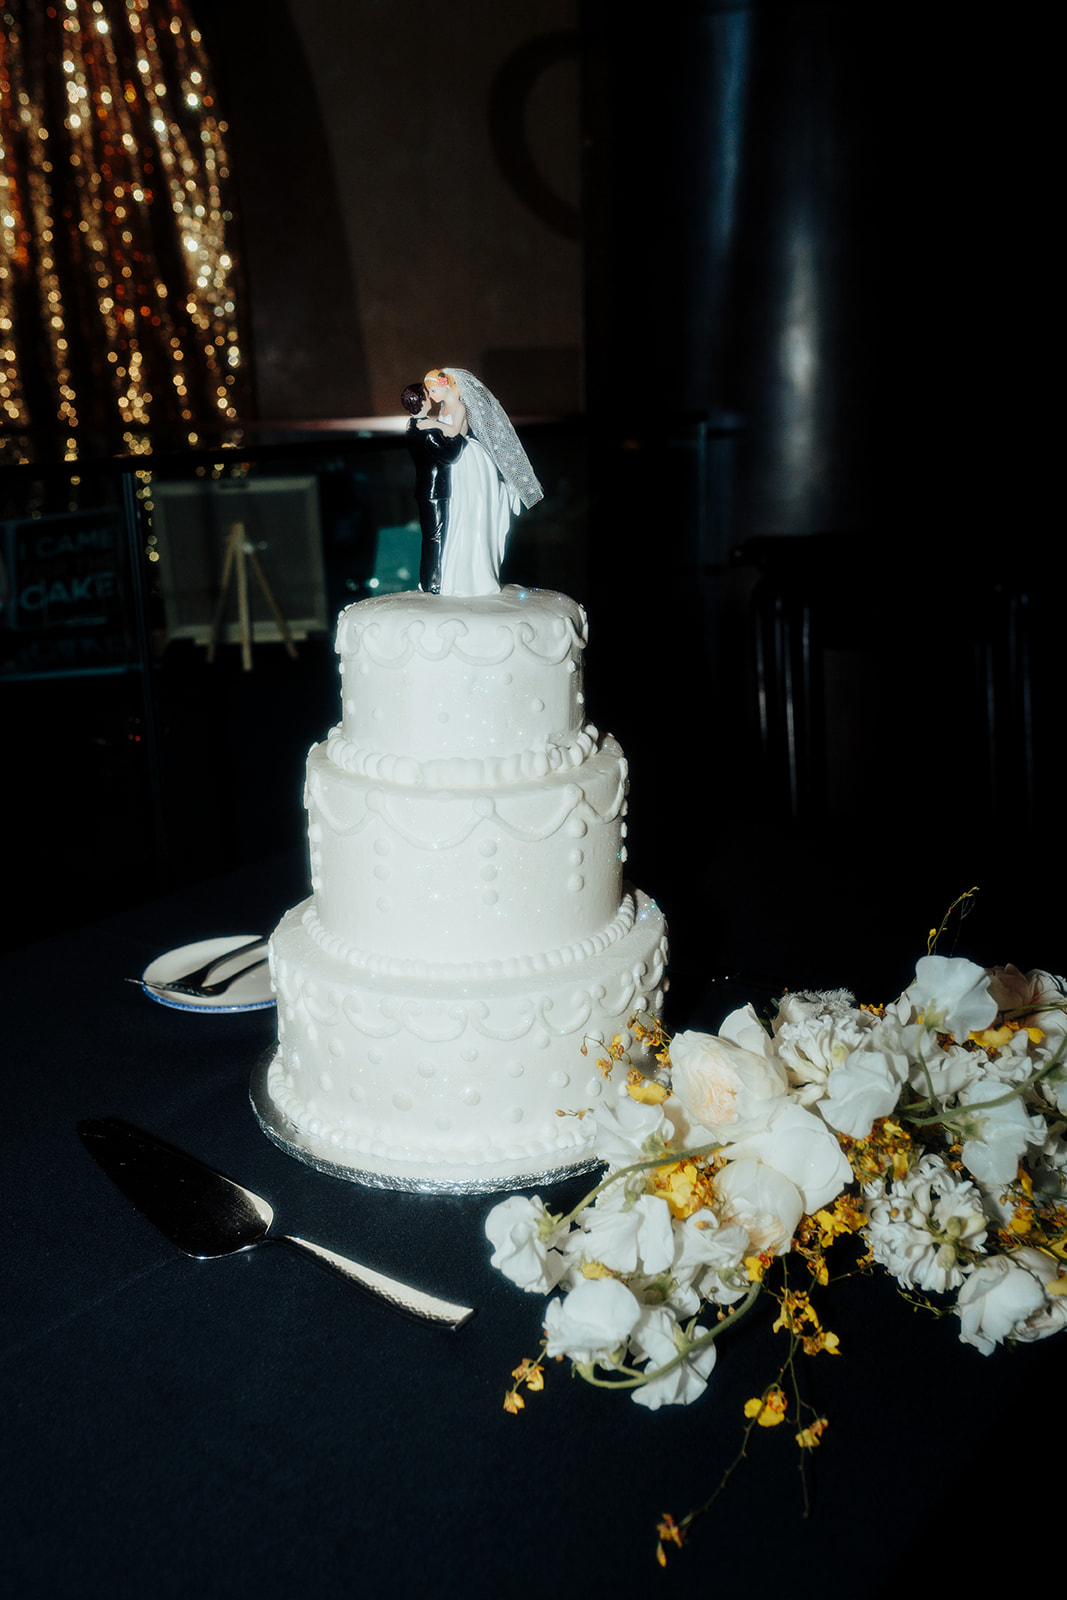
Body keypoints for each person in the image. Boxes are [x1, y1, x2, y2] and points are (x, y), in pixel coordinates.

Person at [415, 367, 543, 596]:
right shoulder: (444, 406)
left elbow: (455, 431)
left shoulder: (459, 406)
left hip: (467, 459)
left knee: (471, 509)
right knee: (458, 514)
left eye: (433, 390)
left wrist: (433, 424)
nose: (432, 396)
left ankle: (474, 573)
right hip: (454, 462)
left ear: (445, 385)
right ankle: (454, 572)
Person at [400, 382, 467, 593]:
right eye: (427, 394)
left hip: (424, 489)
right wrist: (462, 436)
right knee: (436, 537)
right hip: (435, 491)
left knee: (429, 537)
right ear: (421, 401)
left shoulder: (411, 426)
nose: (430, 396)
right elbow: (450, 454)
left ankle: (428, 580)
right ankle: (434, 583)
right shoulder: (427, 432)